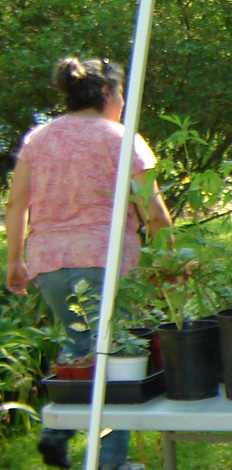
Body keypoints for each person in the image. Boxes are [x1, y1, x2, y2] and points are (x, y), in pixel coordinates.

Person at [6, 57, 172, 470]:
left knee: (80, 345)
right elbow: (153, 211)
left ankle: (56, 433)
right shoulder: (122, 138)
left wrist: (14, 260)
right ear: (106, 93)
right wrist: (168, 261)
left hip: (49, 264)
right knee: (118, 357)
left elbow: (16, 203)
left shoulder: (39, 138)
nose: (122, 101)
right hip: (104, 260)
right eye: (120, 93)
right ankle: (111, 461)